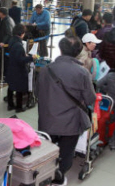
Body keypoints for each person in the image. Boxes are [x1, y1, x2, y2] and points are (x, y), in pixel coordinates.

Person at [36, 36, 96, 185]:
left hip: (47, 119)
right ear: (78, 51)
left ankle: (45, 175)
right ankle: (60, 177)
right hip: (70, 122)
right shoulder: (82, 73)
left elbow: (37, 93)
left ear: (61, 49)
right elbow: (90, 99)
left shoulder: (45, 69)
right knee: (66, 152)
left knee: (48, 149)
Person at [6, 24, 36, 113]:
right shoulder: (19, 45)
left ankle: (10, 105)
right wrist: (31, 58)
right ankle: (19, 107)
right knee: (20, 88)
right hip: (18, 70)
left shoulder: (11, 40)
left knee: (11, 87)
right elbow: (20, 60)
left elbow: (15, 55)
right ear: (22, 33)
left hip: (11, 68)